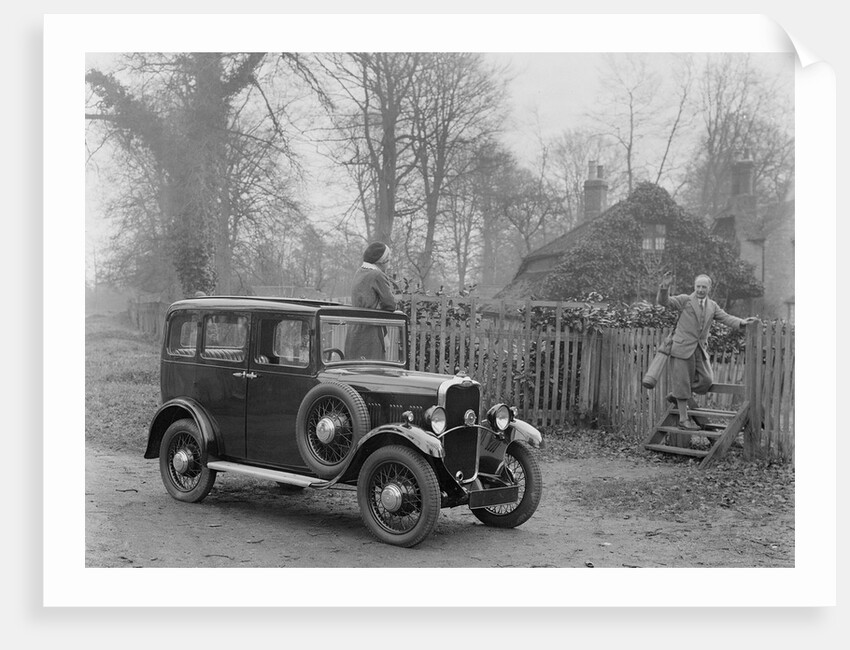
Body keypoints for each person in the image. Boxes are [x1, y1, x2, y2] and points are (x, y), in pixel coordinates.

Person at [657, 272, 759, 430]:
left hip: (699, 349)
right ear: (694, 286)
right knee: (683, 382)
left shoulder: (712, 306)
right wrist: (664, 287)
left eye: (704, 287)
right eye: (698, 286)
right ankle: (683, 420)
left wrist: (742, 323)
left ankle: (676, 394)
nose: (700, 290)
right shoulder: (685, 300)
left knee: (706, 380)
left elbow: (726, 318)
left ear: (709, 288)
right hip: (681, 348)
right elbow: (665, 302)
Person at [345, 241, 398, 360]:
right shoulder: (377, 275)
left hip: (354, 331)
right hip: (370, 333)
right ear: (381, 260)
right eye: (388, 258)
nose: (389, 262)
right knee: (373, 372)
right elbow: (391, 305)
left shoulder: (360, 272)